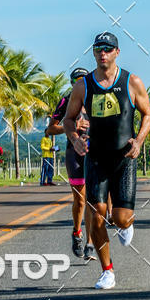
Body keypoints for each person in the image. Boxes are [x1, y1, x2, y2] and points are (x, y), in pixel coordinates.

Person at [64, 31, 150, 290]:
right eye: (98, 48)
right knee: (97, 213)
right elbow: (68, 120)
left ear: (117, 52)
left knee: (121, 217)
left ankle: (127, 224)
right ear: (93, 53)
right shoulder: (84, 86)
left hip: (123, 158)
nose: (103, 53)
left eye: (108, 48)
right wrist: (74, 139)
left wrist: (139, 141)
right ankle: (107, 271)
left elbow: (147, 114)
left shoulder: (131, 81)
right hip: (96, 158)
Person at [46, 67, 95, 260]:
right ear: (72, 82)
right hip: (73, 153)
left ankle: (91, 243)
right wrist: (73, 127)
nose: (79, 82)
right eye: (76, 80)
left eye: (83, 79)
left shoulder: (96, 98)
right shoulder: (66, 101)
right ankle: (77, 233)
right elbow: (50, 129)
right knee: (80, 200)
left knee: (92, 200)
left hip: (94, 153)